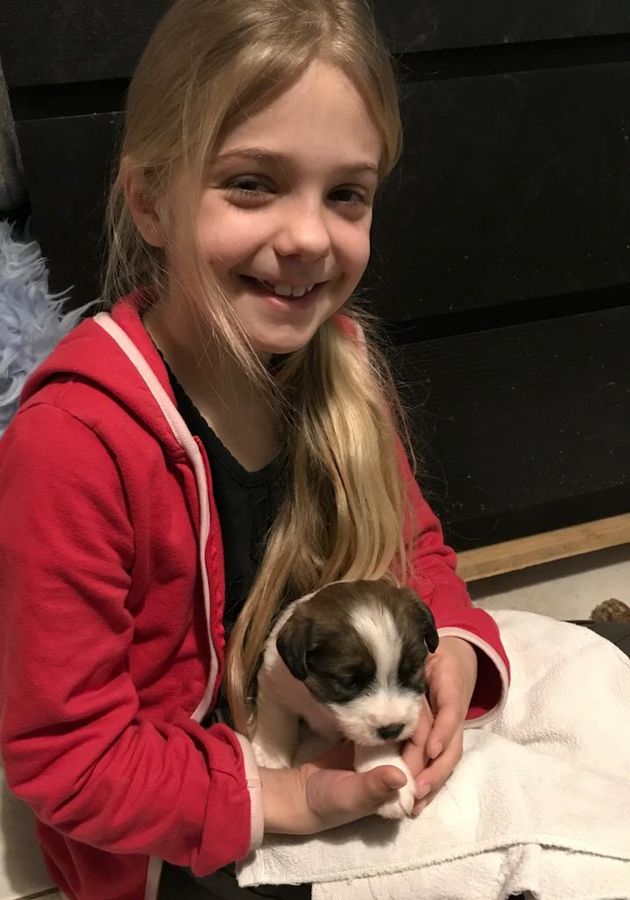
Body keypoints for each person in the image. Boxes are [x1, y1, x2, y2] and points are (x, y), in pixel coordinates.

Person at [0, 1, 510, 898]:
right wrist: (294, 799)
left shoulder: (347, 371)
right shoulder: (72, 444)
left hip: (336, 748)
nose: (308, 236)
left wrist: (453, 657)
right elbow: (68, 757)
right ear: (150, 200)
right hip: (169, 837)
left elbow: (415, 556)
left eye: (346, 194)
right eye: (251, 183)